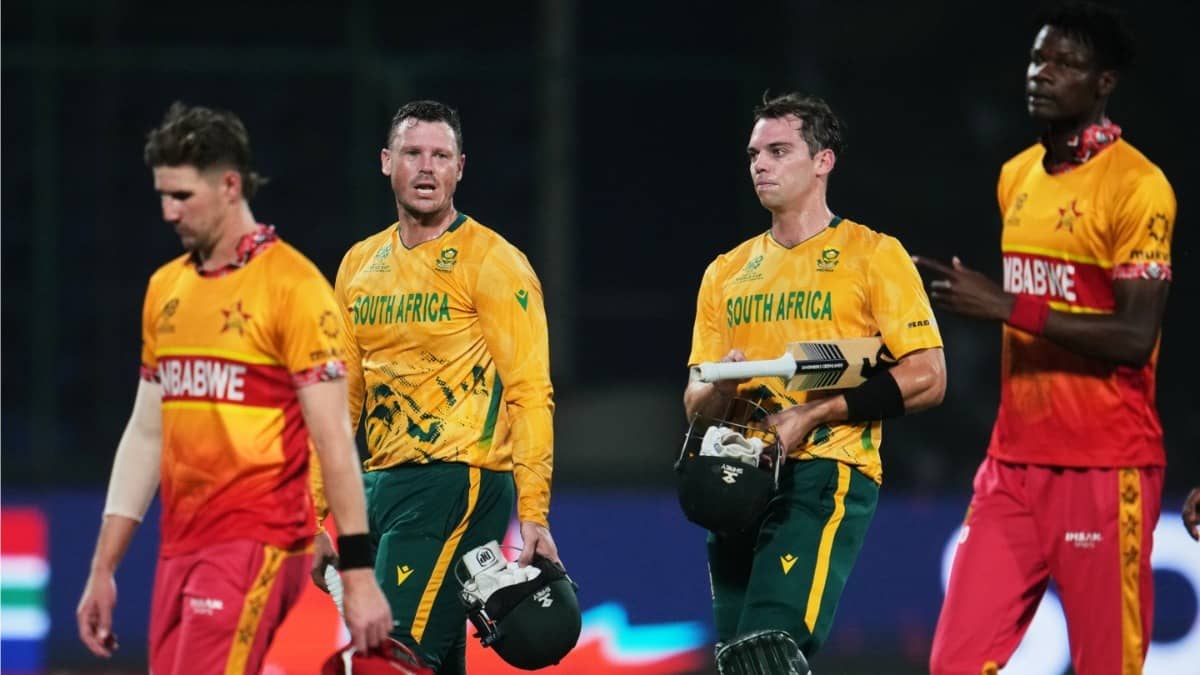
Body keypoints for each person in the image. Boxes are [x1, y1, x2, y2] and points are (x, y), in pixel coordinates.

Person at [74, 102, 393, 674]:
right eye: (162, 196)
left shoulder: (293, 287)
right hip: (179, 547)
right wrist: (104, 567)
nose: (169, 213)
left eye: (182, 196)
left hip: (258, 542)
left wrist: (360, 572)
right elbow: (147, 433)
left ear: (229, 185)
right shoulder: (164, 289)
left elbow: (335, 441)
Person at [914, 3, 1176, 673]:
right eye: (1037, 59)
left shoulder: (1139, 189)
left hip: (1104, 466)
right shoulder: (1016, 177)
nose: (1042, 73)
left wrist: (1006, 304)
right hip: (1011, 468)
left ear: (1105, 83)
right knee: (954, 662)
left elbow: (1134, 334)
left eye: (1066, 64)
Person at [684, 92, 947, 673]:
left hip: (825, 472)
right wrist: (722, 389)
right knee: (738, 661)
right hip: (737, 477)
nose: (761, 165)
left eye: (779, 151)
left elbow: (928, 376)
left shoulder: (873, 254)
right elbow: (696, 404)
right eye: (755, 153)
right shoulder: (725, 271)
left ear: (823, 161)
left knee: (767, 649)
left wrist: (810, 415)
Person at [309, 100, 560, 674]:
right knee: (431, 660)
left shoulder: (494, 262)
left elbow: (530, 391)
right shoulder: (358, 264)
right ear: (385, 162)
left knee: (385, 659)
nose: (427, 168)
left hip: (457, 480)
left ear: (461, 167)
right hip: (380, 487)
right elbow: (343, 398)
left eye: (441, 155)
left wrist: (535, 514)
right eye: (413, 153)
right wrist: (311, 515)